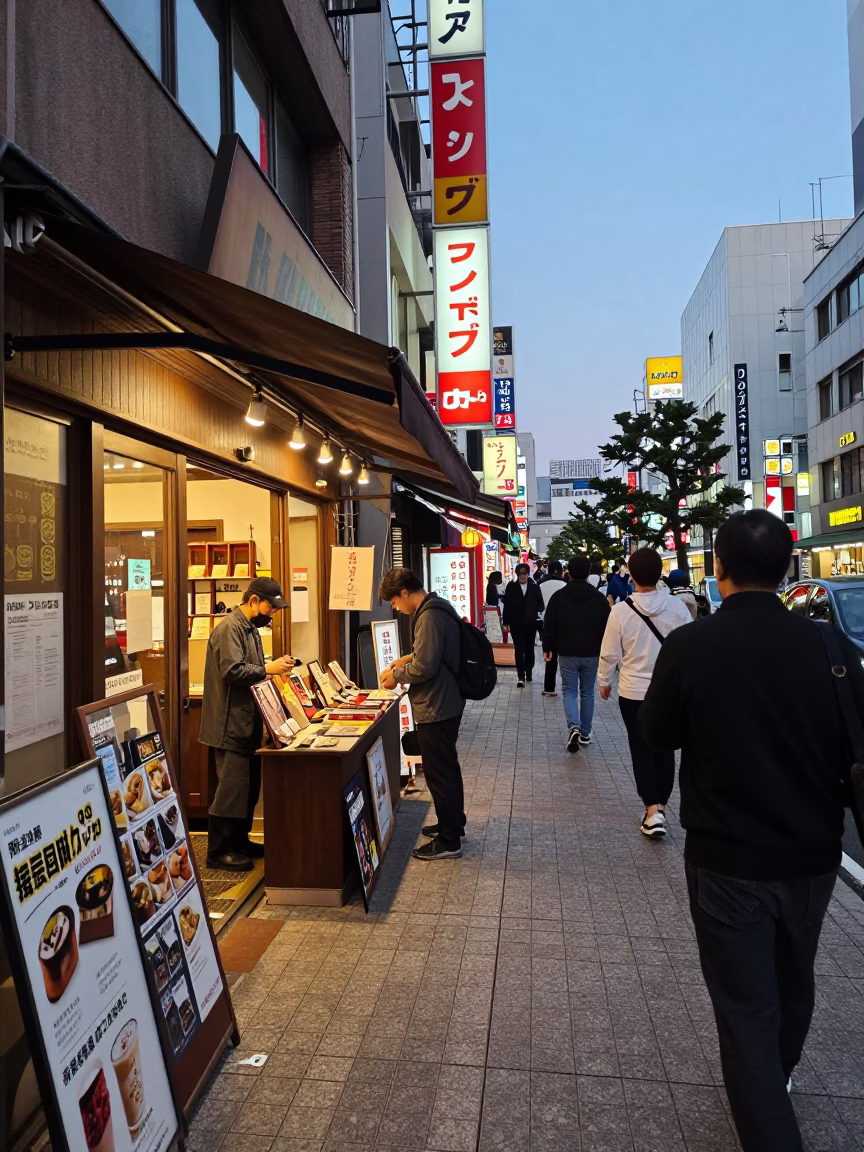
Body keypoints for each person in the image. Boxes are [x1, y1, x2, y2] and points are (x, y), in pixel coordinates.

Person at [639, 511, 864, 1152]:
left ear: (720, 568)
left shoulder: (691, 646)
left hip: (727, 857)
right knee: (795, 978)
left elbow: (656, 735)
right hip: (815, 856)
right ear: (787, 568)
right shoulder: (832, 649)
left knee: (745, 1008)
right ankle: (775, 1074)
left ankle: (765, 1092)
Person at [200, 578, 295, 871]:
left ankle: (240, 841)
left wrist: (273, 670)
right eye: (270, 606)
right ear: (253, 600)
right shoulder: (230, 628)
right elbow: (232, 670)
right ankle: (218, 851)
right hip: (229, 724)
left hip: (247, 722)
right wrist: (269, 668)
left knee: (248, 789)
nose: (273, 613)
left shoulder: (251, 629)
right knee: (231, 788)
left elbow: (252, 672)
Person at [598, 548, 692, 837]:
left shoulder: (620, 611)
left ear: (631, 574)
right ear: (659, 572)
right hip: (670, 691)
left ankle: (651, 811)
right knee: (665, 749)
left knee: (640, 749)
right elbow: (690, 648)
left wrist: (604, 680)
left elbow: (610, 652)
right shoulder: (677, 608)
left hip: (633, 691)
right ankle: (660, 807)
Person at [379, 567, 466, 861]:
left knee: (439, 772)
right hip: (445, 700)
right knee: (446, 768)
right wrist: (406, 659)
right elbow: (429, 655)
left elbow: (425, 666)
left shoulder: (428, 615)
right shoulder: (438, 607)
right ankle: (451, 824)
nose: (396, 607)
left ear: (405, 592)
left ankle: (449, 841)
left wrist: (397, 675)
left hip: (437, 704)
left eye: (394, 601)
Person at [542, 556, 611, 750]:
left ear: (569, 573)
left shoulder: (559, 597)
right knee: (587, 692)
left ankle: (574, 726)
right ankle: (586, 733)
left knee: (569, 690)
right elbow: (608, 626)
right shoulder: (598, 598)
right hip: (591, 652)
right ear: (589, 572)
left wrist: (548, 647)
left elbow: (550, 624)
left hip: (567, 651)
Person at [501, 563, 544, 687]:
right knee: (519, 649)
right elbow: (507, 606)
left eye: (525, 573)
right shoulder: (511, 587)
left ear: (528, 573)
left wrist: (532, 607)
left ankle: (529, 671)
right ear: (517, 573)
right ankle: (520, 675)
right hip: (516, 623)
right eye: (521, 573)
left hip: (531, 622)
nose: (523, 576)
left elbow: (541, 605)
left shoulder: (534, 587)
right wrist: (506, 622)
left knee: (529, 648)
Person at [539, 560, 567, 696]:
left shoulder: (541, 586)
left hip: (547, 624)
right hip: (565, 625)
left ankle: (549, 688)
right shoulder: (566, 586)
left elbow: (539, 607)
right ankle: (569, 688)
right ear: (559, 571)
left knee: (550, 656)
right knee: (566, 659)